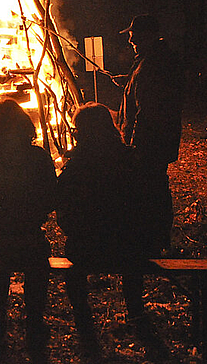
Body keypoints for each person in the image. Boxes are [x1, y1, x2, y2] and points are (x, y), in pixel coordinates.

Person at [0, 99, 57, 357]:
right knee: (37, 259)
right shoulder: (37, 156)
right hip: (29, 238)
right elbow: (51, 196)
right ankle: (35, 320)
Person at [112, 14, 184, 319]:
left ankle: (155, 239)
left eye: (134, 33)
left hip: (150, 142)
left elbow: (149, 107)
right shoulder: (149, 58)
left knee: (152, 187)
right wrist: (125, 82)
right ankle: (154, 237)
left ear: (148, 33)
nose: (129, 39)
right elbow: (139, 91)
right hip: (150, 141)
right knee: (152, 187)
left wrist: (135, 143)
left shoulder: (156, 61)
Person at [56, 102, 135, 348]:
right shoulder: (130, 158)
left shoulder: (78, 165)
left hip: (86, 247)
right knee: (131, 258)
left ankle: (81, 312)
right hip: (128, 244)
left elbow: (61, 202)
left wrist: (72, 228)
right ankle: (136, 309)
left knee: (74, 265)